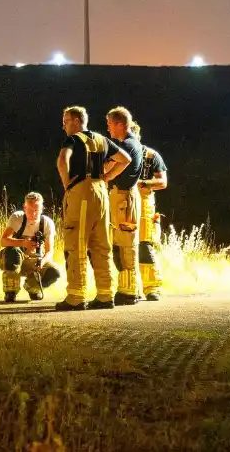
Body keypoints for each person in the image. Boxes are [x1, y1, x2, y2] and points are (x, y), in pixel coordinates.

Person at [56, 105, 129, 311]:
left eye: (66, 120)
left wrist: (67, 184)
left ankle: (76, 296)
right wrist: (106, 177)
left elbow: (62, 161)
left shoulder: (72, 139)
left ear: (78, 121)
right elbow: (125, 159)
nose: (63, 126)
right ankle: (106, 295)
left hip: (81, 192)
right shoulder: (101, 139)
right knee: (101, 244)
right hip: (101, 192)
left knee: (76, 242)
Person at [104, 107, 145, 305]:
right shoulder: (131, 143)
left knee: (125, 245)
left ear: (120, 124)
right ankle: (132, 289)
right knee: (125, 243)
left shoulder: (127, 145)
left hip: (123, 198)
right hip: (125, 197)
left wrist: (103, 177)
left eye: (110, 124)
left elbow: (110, 167)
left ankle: (128, 292)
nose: (108, 128)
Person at [0, 192, 62, 302]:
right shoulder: (17, 218)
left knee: (54, 272)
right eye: (30, 209)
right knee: (13, 252)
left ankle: (32, 288)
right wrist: (23, 243)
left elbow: (49, 251)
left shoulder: (47, 223)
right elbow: (3, 241)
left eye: (37, 210)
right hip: (14, 259)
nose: (34, 213)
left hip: (35, 260)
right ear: (24, 208)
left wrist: (42, 262)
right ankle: (11, 291)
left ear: (42, 209)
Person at [133, 122, 169, 301]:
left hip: (144, 205)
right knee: (120, 248)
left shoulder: (151, 155)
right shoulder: (115, 154)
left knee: (145, 246)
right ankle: (128, 288)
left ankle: (152, 288)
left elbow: (163, 182)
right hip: (119, 205)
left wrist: (143, 183)